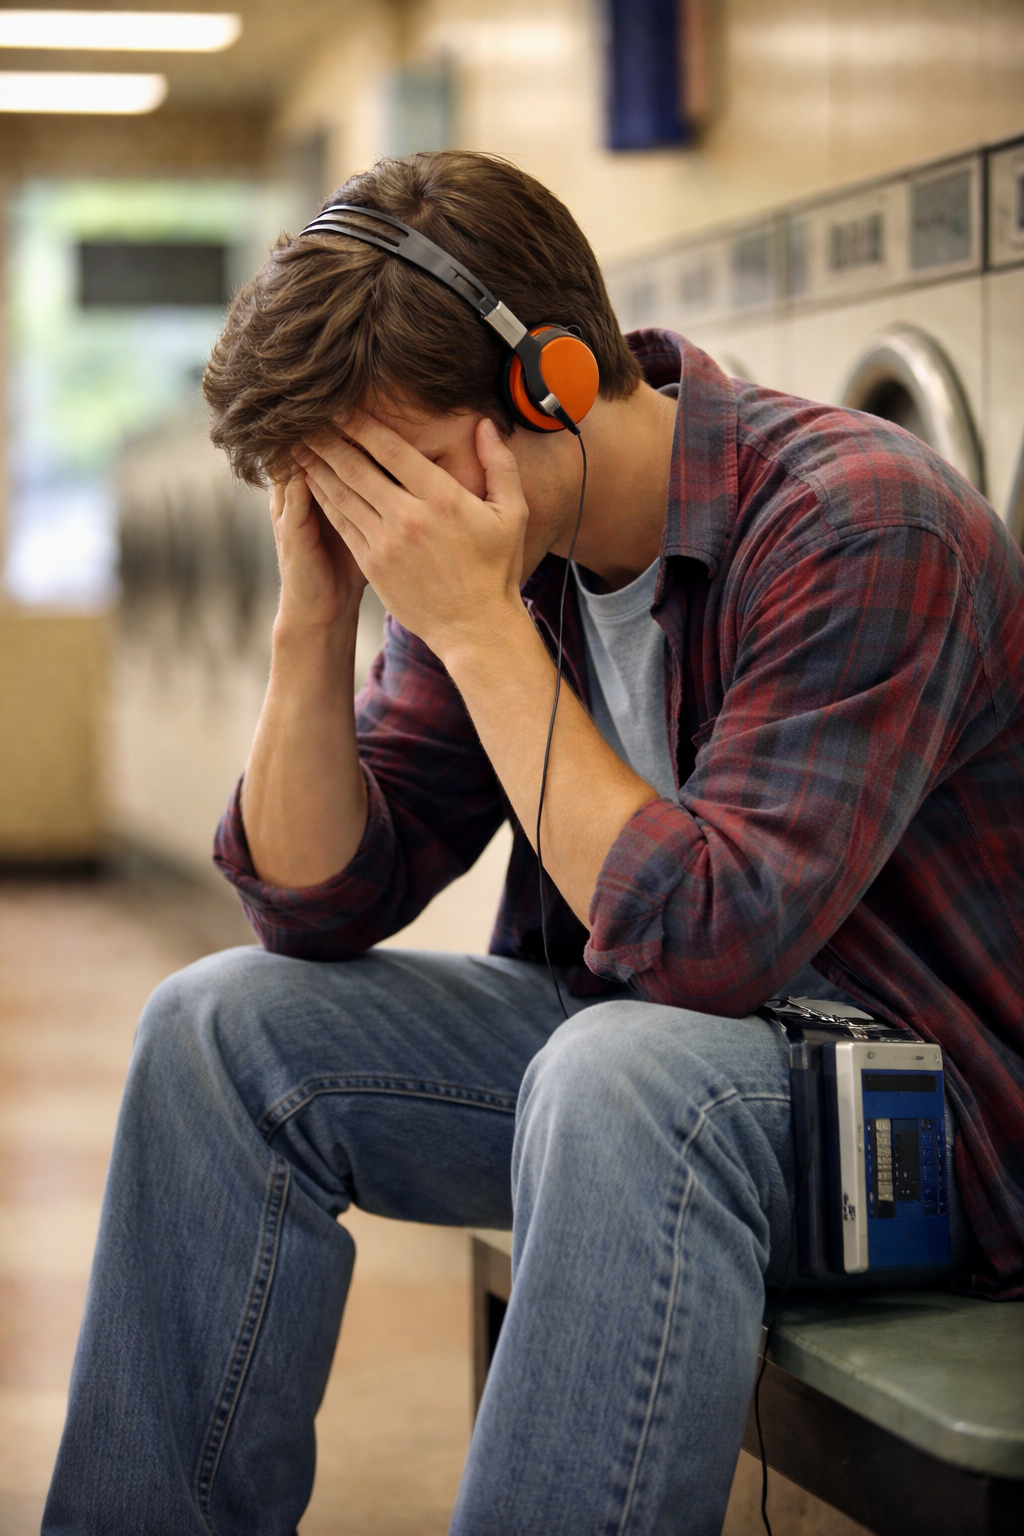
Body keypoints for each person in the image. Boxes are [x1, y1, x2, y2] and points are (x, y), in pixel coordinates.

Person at [44, 151, 1024, 1536]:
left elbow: (707, 943)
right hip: (628, 1069)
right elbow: (319, 903)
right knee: (221, 1028)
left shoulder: (861, 521)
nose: (393, 529)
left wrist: (483, 629)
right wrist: (315, 618)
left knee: (625, 1068)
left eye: (403, 475)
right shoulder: (507, 553)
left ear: (550, 383)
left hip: (918, 1124)